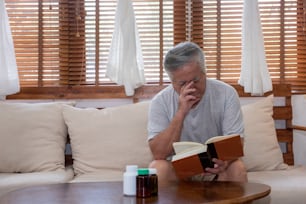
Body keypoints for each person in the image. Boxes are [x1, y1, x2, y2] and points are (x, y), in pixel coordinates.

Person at [147, 41, 247, 182]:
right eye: (182, 84)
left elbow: (237, 142)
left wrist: (225, 162)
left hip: (217, 170)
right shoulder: (160, 101)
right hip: (179, 171)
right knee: (158, 169)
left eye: (196, 80)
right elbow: (158, 153)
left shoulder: (226, 93)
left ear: (204, 72)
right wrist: (181, 111)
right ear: (172, 82)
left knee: (237, 168)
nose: (191, 88)